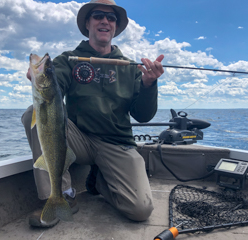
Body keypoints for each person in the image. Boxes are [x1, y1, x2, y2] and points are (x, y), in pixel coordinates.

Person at [22, 0, 164, 227]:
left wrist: (148, 84)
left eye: (111, 18)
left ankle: (100, 182)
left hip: (117, 144)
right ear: (87, 22)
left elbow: (143, 116)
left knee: (141, 210)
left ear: (115, 26)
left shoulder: (130, 67)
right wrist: (38, 77)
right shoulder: (67, 60)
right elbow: (53, 85)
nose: (105, 21)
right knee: (35, 114)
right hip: (79, 140)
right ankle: (61, 196)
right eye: (98, 15)